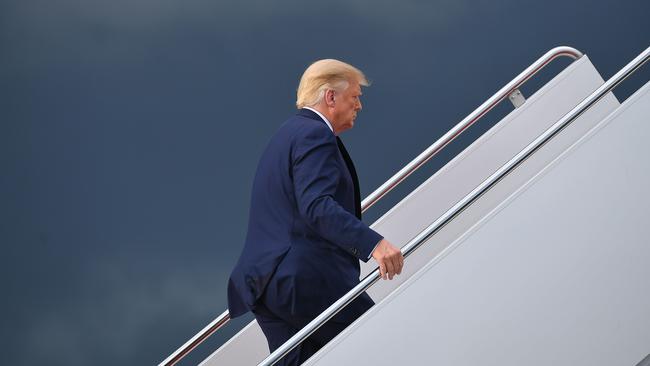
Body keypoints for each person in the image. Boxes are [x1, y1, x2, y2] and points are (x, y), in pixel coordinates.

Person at [227, 59, 404, 365]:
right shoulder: (314, 134)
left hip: (266, 285)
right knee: (378, 342)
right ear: (330, 97)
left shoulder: (288, 134)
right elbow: (316, 205)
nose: (359, 106)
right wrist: (375, 244)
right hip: (302, 279)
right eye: (355, 97)